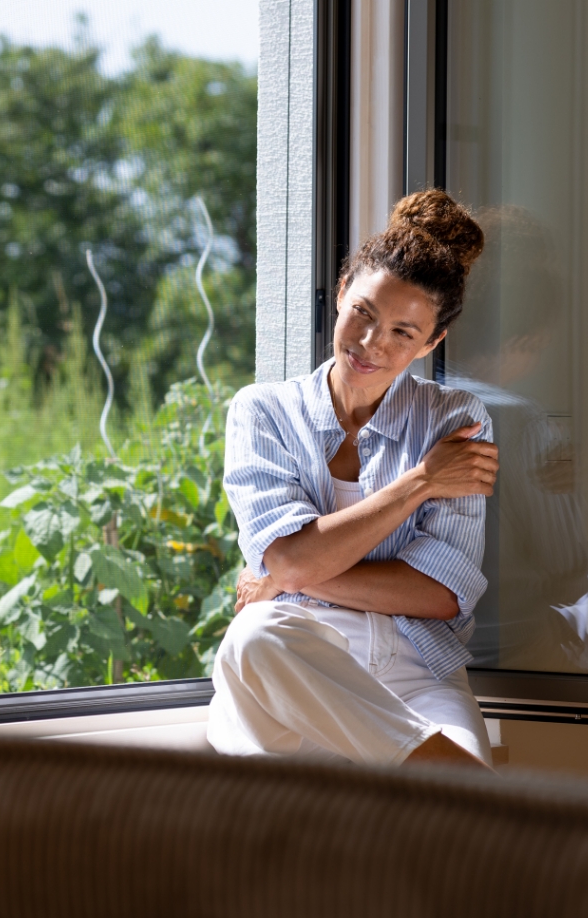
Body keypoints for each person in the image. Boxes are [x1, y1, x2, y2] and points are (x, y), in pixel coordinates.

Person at [208, 190, 497, 769]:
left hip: (416, 672)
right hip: (297, 666)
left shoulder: (456, 420)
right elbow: (288, 562)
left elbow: (440, 596)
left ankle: (438, 775)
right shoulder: (262, 411)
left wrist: (296, 573)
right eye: (363, 312)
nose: (371, 344)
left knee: (463, 824)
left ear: (432, 343)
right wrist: (420, 481)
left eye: (403, 333)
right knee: (255, 636)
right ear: (341, 293)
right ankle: (438, 776)